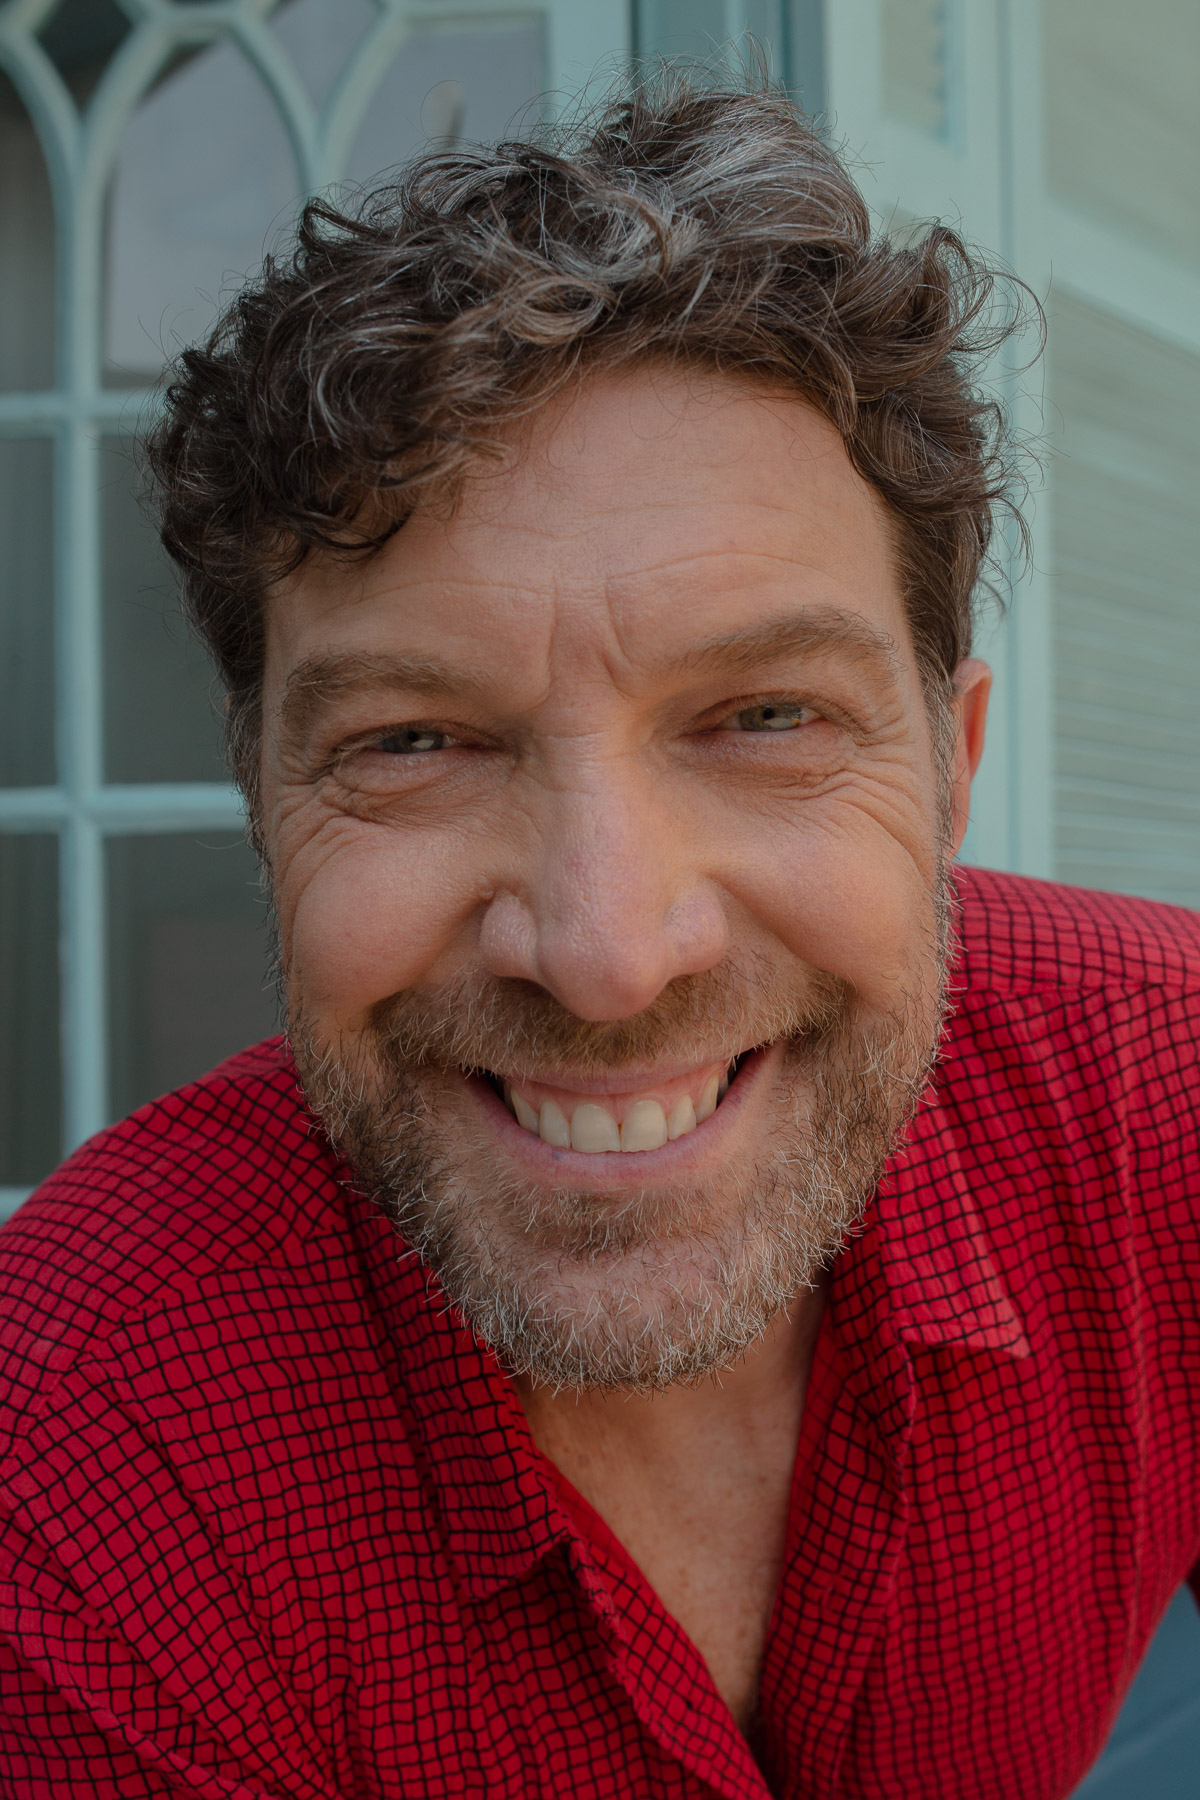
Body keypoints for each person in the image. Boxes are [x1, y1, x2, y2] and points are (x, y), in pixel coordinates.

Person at [1, 76, 1198, 1800]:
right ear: (265, 811)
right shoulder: (74, 1465)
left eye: (767, 716)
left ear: (952, 773)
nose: (608, 953)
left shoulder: (1163, 1091)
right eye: (415, 741)